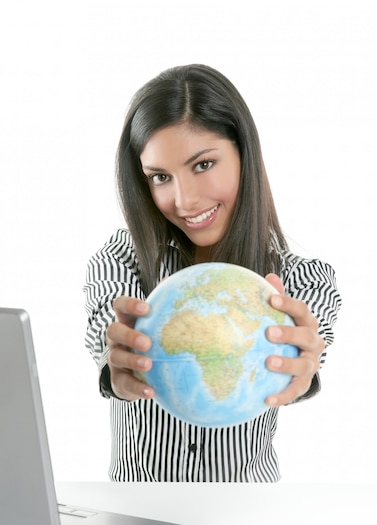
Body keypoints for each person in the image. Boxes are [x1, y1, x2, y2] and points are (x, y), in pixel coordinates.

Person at [83, 64, 341, 482]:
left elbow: (309, 350)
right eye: (161, 177)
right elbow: (106, 332)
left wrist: (304, 367)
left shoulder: (304, 281)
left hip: (248, 514)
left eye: (203, 165)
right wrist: (116, 368)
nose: (183, 201)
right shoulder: (121, 259)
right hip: (144, 515)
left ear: (244, 155)